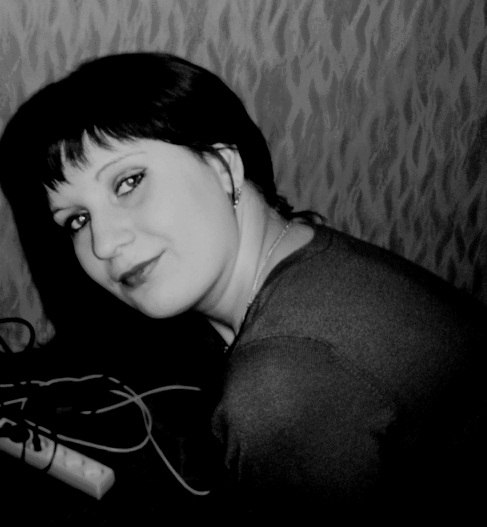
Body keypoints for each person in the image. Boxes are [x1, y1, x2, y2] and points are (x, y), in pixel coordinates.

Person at [1, 51, 486, 521]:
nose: (104, 243)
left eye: (128, 182)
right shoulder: (303, 247)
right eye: (77, 219)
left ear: (223, 167)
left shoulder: (283, 389)